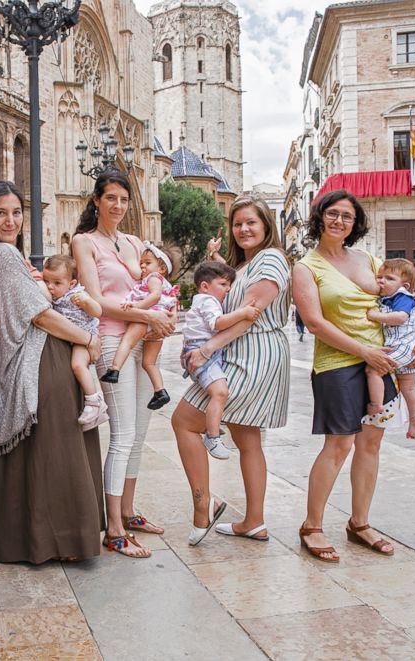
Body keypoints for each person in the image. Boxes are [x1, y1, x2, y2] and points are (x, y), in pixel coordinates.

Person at [0, 180, 106, 565]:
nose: (10, 220)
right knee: (56, 452)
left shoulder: (7, 255)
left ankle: (45, 539)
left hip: (45, 361)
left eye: (16, 212)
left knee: (51, 452)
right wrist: (88, 339)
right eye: (0, 213)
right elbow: (41, 315)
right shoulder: (0, 254)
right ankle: (59, 541)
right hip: (39, 364)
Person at [292, 190, 415, 563]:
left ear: (355, 223)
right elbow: (315, 324)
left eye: (347, 217)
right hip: (336, 365)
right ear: (319, 218)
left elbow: (405, 297)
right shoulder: (306, 267)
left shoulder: (368, 258)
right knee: (339, 446)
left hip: (380, 364)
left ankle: (359, 523)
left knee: (371, 445)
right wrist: (363, 350)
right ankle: (312, 526)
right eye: (332, 214)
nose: (339, 221)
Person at [175, 193, 292, 546]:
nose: (243, 229)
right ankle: (253, 521)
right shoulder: (244, 263)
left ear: (266, 225)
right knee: (247, 438)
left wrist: (207, 348)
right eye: (237, 223)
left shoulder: (270, 259)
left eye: (251, 222)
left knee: (183, 421)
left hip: (251, 353)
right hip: (244, 351)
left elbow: (250, 314)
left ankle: (205, 507)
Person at [73, 170, 175, 558]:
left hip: (145, 339)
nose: (118, 205)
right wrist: (150, 316)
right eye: (111, 198)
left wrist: (160, 315)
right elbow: (96, 301)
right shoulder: (84, 242)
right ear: (96, 200)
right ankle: (112, 528)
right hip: (114, 338)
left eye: (124, 199)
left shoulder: (135, 242)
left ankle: (128, 512)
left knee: (140, 434)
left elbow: (157, 283)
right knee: (122, 435)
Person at [180, 261, 260, 459]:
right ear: (205, 286)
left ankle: (213, 425)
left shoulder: (206, 299)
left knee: (219, 392)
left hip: (203, 352)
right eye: (223, 285)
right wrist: (243, 312)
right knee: (220, 392)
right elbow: (217, 324)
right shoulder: (208, 301)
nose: (228, 289)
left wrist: (215, 255)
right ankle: (212, 436)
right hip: (202, 352)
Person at [100, 242, 180, 411]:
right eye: (141, 263)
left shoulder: (153, 278)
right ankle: (160, 391)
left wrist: (136, 308)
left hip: (147, 318)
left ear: (162, 268)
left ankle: (114, 370)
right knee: (149, 363)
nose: (142, 266)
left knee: (127, 342)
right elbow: (171, 302)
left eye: (147, 263)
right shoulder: (165, 283)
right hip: (159, 324)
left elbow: (155, 297)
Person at [42, 254, 108, 430]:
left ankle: (94, 401)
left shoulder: (76, 294)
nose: (50, 287)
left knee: (78, 365)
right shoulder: (54, 297)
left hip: (84, 338)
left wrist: (86, 302)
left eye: (57, 283)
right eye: (47, 281)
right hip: (72, 338)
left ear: (71, 284)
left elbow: (98, 311)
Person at [365, 258, 415, 439]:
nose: (381, 280)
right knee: (408, 387)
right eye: (379, 276)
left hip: (402, 347)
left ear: (404, 286)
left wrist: (375, 316)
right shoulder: (391, 297)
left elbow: (399, 318)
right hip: (406, 349)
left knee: (373, 369)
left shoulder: (402, 297)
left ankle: (376, 405)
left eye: (389, 278)